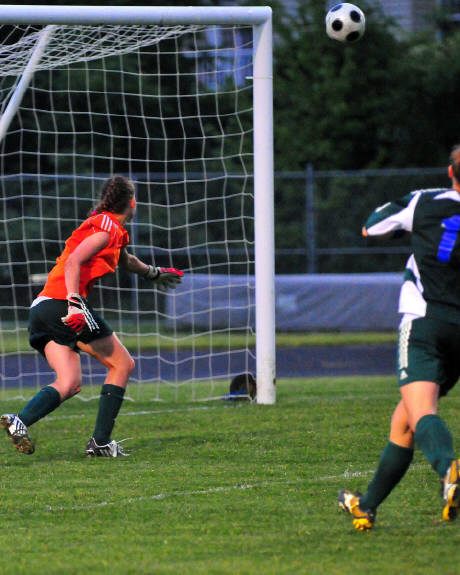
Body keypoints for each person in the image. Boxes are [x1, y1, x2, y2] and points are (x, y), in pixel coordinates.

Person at [1, 175, 183, 457]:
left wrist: (154, 273)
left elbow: (127, 261)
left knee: (69, 382)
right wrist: (75, 302)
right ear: (132, 202)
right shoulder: (108, 230)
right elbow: (74, 262)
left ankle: (19, 421)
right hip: (63, 303)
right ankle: (100, 443)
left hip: (42, 307)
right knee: (122, 364)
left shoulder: (109, 229)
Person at [338, 145, 460, 529]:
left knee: (422, 412)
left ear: (450, 172)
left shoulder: (425, 201)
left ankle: (450, 470)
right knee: (404, 421)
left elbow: (371, 226)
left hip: (425, 322)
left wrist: (411, 220)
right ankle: (366, 506)